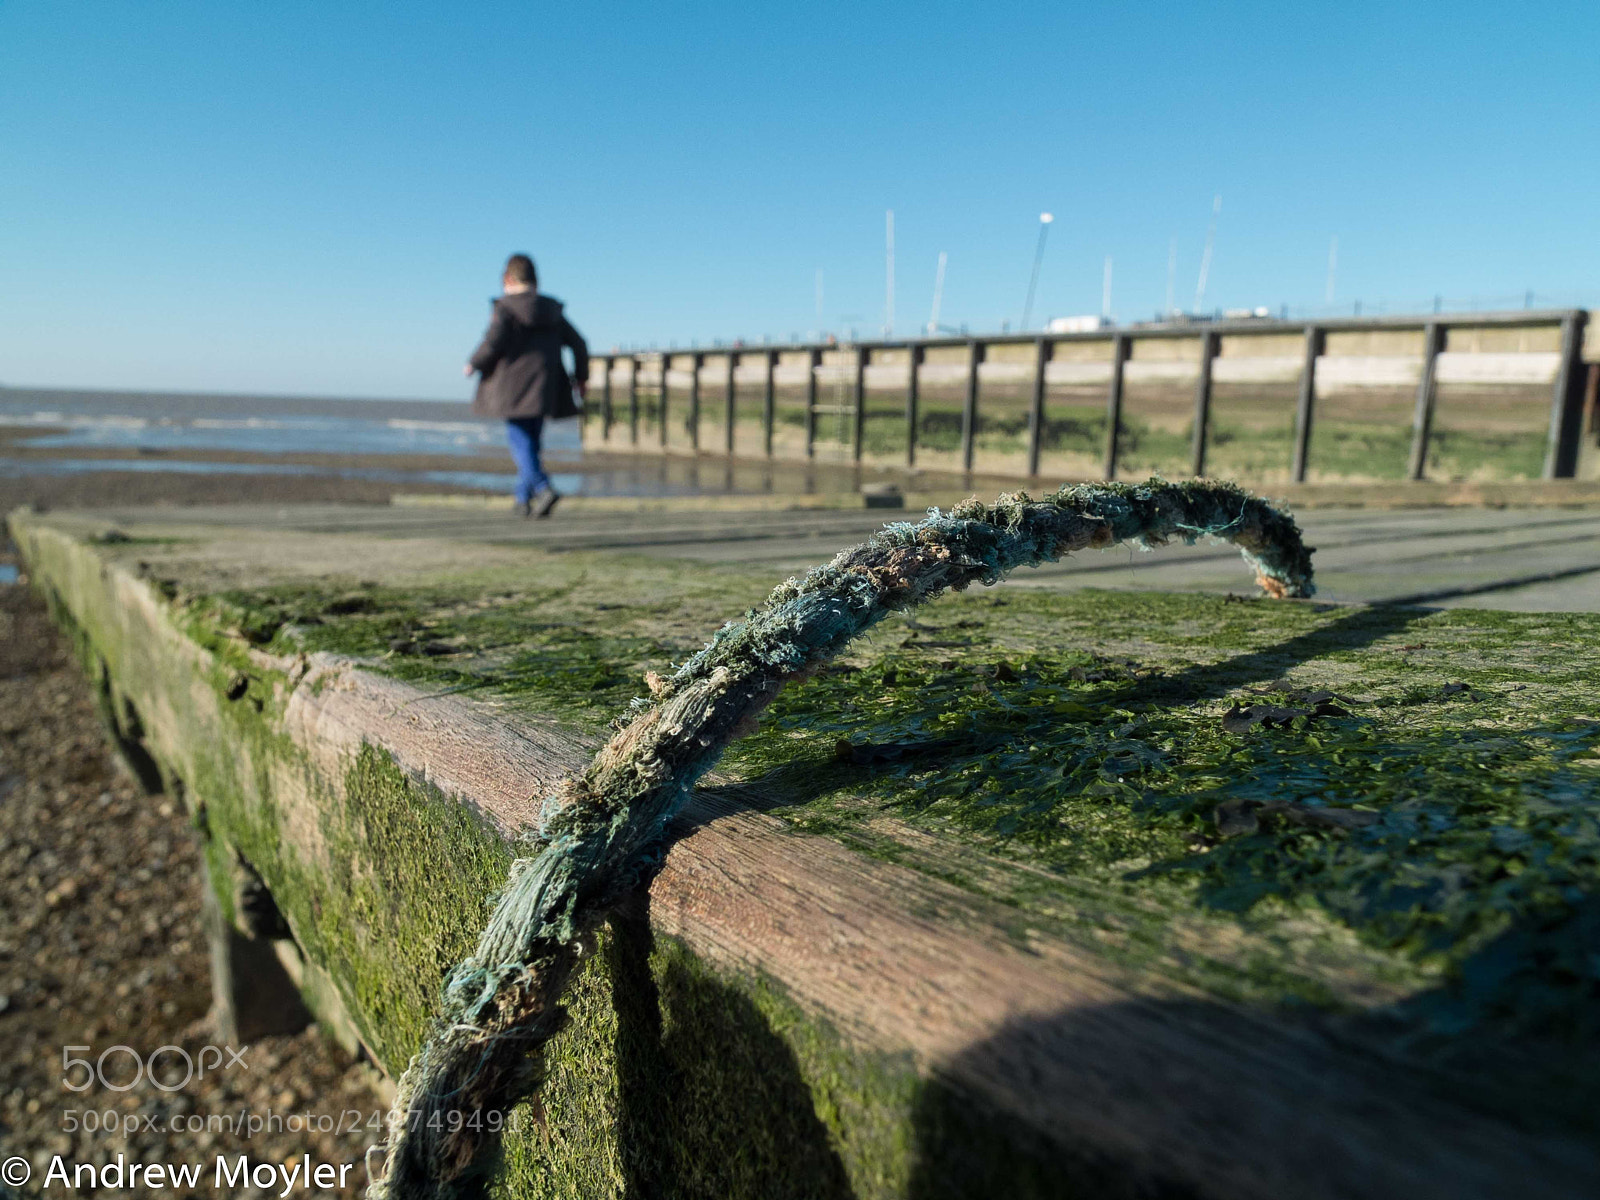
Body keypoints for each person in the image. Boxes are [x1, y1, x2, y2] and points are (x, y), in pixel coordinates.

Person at [464, 254, 588, 518]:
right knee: (531, 443)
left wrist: (473, 363)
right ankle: (522, 499)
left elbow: (493, 342)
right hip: (546, 388)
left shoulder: (506, 308)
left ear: (507, 279)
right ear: (535, 281)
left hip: (513, 388)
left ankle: (543, 488)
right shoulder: (552, 311)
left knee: (520, 442)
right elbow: (579, 343)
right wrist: (581, 377)